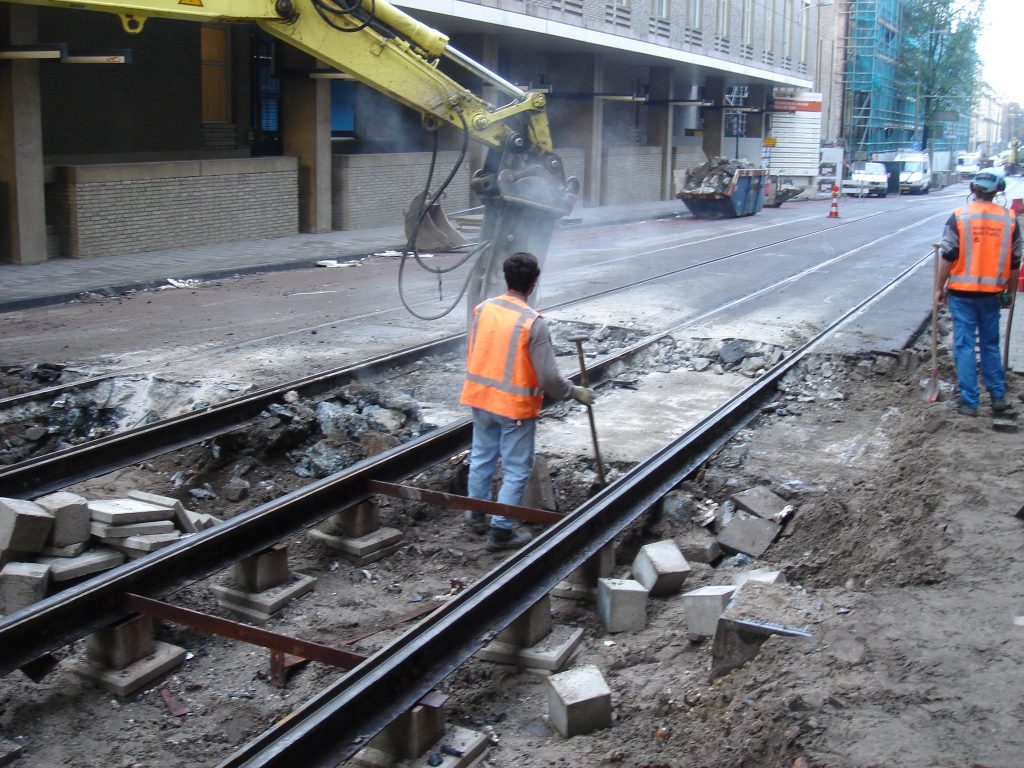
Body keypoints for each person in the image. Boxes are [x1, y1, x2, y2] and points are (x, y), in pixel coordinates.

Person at [460, 252, 595, 551]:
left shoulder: (483, 309)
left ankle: (478, 517)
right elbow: (548, 378)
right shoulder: (532, 323)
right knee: (516, 469)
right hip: (514, 409)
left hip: (480, 399)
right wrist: (575, 392)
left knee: (481, 460)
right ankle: (501, 532)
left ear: (506, 278)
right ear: (533, 284)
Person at [936, 169, 1021, 416]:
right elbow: (1016, 262)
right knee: (990, 344)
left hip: (962, 293)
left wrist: (939, 288)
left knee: (963, 346)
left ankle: (970, 403)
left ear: (972, 190)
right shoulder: (1009, 219)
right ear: (998, 192)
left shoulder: (960, 217)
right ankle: (997, 397)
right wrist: (1011, 292)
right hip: (992, 294)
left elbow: (948, 255)